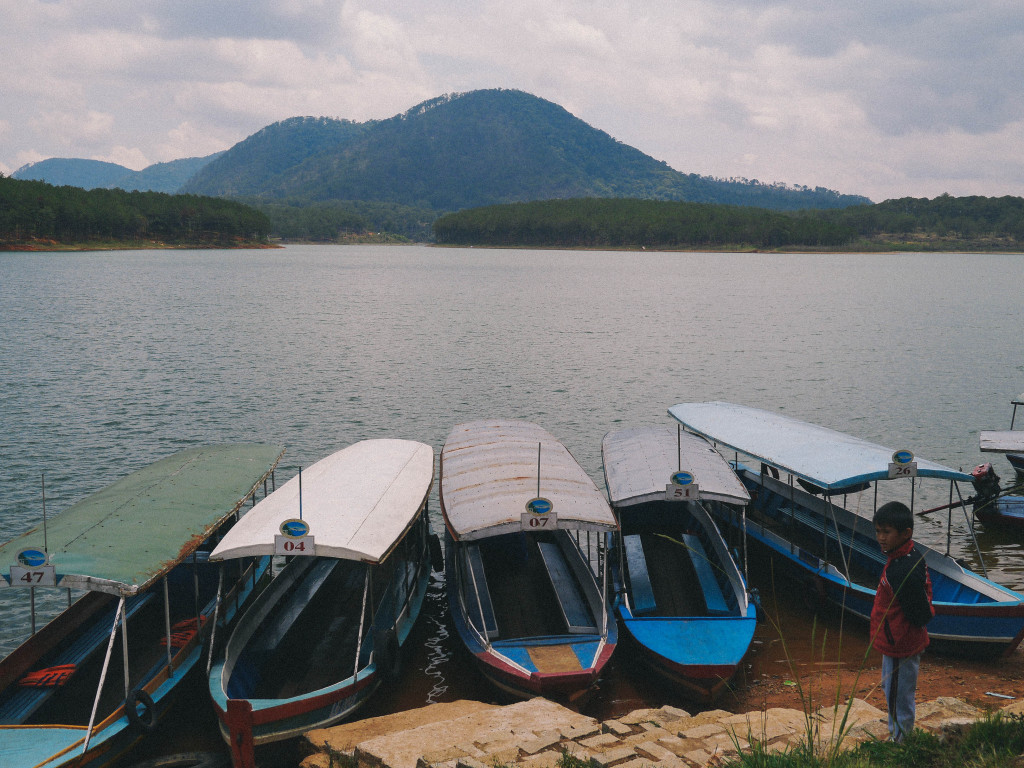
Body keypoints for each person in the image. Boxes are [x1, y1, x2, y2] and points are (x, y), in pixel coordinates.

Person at [870, 500, 935, 742]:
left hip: (900, 643)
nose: (880, 538)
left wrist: (896, 631)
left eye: (886, 532)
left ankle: (901, 740)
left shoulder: (901, 569)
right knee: (892, 689)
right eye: (878, 531)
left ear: (906, 533)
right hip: (894, 639)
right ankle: (897, 732)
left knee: (898, 693)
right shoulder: (905, 556)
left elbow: (919, 612)